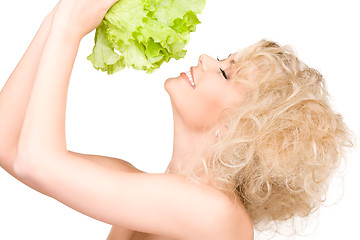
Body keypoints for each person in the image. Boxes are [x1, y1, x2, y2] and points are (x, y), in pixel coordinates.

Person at [0, 0, 353, 239]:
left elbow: (36, 162)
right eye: (222, 59)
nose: (204, 59)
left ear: (242, 127)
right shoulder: (142, 184)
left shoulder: (214, 212)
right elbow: (8, 144)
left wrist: (68, 29)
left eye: (227, 74)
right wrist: (55, 20)